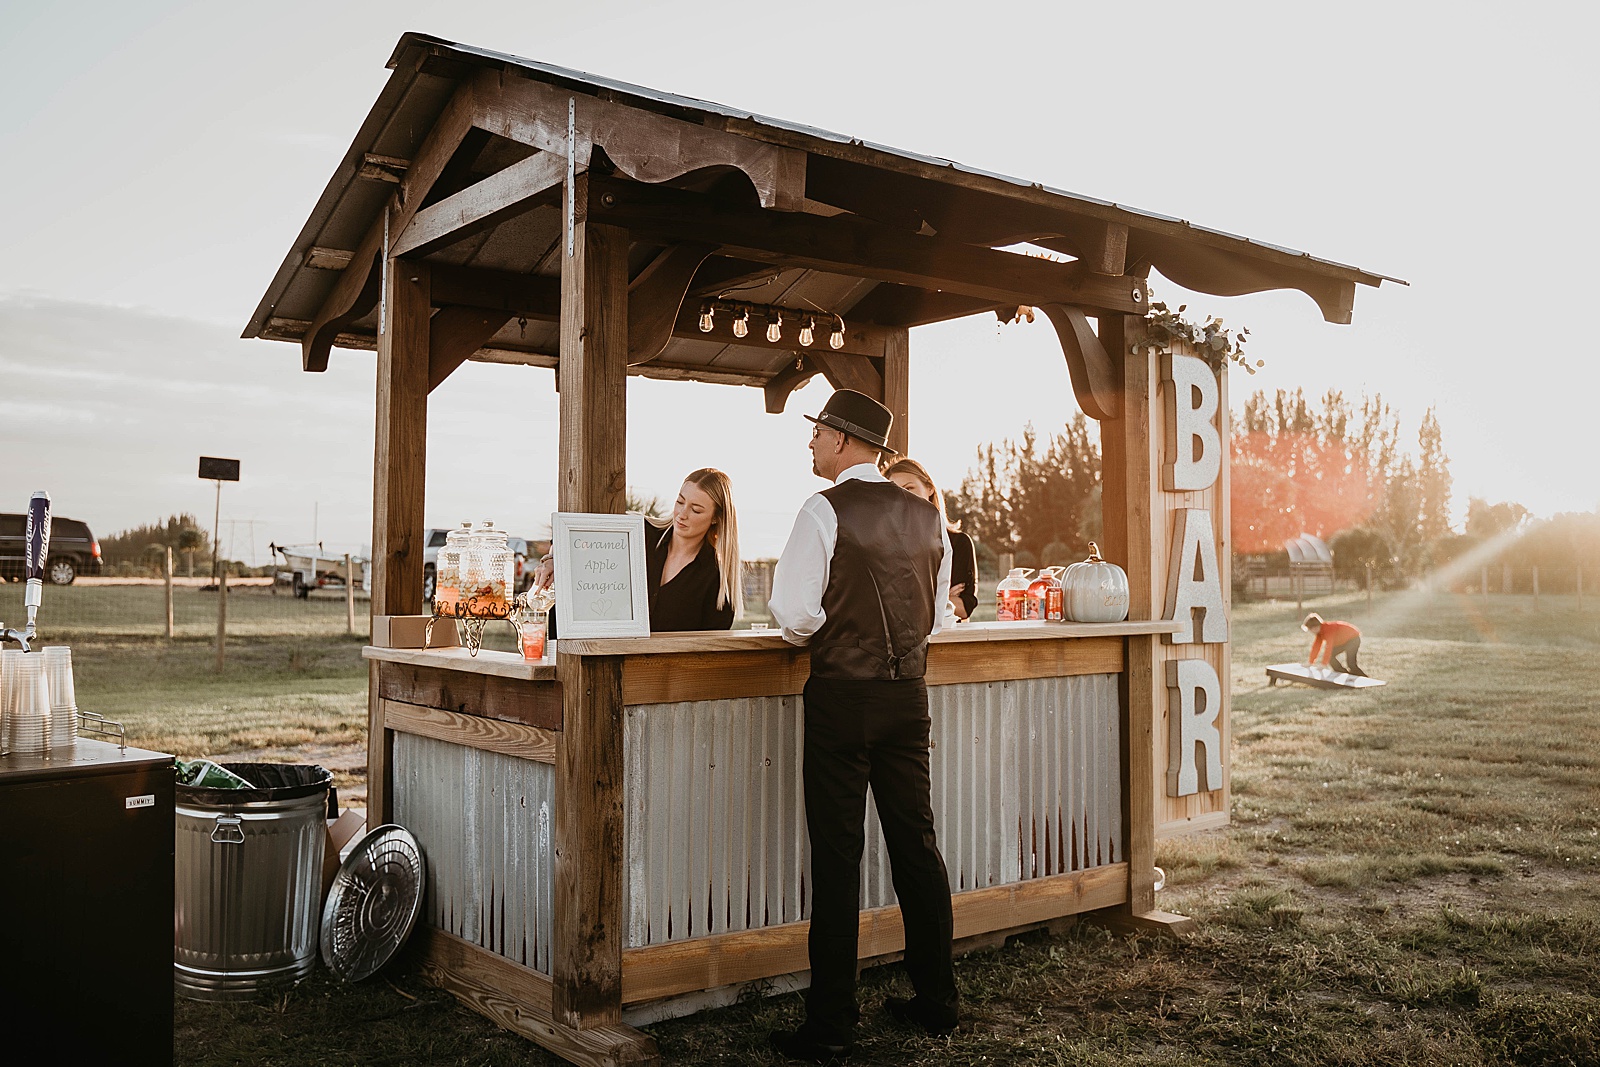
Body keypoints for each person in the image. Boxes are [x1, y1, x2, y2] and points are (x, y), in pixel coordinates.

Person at [767, 389, 959, 1063]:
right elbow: (938, 619)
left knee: (838, 855)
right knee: (917, 846)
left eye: (818, 432)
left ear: (845, 440)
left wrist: (835, 629)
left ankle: (831, 1022)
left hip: (844, 698)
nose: (812, 443)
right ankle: (938, 1000)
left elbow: (793, 615)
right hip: (909, 696)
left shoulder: (823, 509)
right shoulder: (926, 515)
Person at [535, 468, 741, 632]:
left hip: (668, 680)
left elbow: (709, 653)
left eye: (696, 510)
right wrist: (553, 559)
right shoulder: (636, 533)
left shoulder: (717, 579)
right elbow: (581, 531)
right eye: (680, 502)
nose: (682, 514)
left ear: (716, 518)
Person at [883, 457, 978, 621]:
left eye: (909, 488)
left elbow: (964, 608)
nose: (903, 497)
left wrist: (912, 597)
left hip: (947, 639)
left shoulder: (959, 543)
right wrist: (941, 598)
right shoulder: (884, 544)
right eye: (895, 492)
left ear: (929, 488)